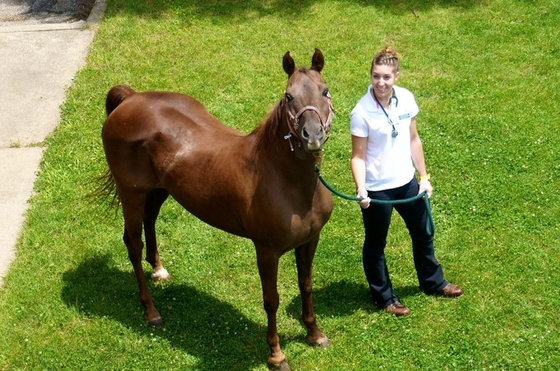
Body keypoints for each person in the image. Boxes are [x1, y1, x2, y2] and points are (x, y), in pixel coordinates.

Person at [349, 47, 463, 317]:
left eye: (387, 77)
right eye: (376, 76)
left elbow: (414, 140)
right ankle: (385, 297)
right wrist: (361, 189)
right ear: (371, 76)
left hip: (407, 183)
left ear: (396, 76)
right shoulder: (361, 112)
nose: (381, 83)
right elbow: (357, 156)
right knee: (376, 244)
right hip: (377, 190)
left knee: (423, 233)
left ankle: (433, 282)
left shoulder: (407, 99)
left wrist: (424, 178)